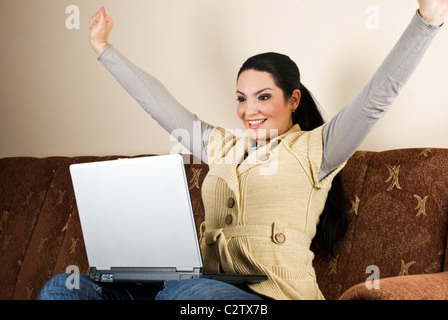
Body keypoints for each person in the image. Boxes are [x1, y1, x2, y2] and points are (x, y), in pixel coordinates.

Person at [38, 1, 447, 300]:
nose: (249, 110)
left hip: (266, 300)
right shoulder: (221, 146)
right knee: (64, 287)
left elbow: (376, 98)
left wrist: (427, 21)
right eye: (241, 98)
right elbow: (159, 106)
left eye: (263, 96)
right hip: (191, 289)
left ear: (293, 100)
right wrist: (103, 48)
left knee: (189, 298)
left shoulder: (317, 149)